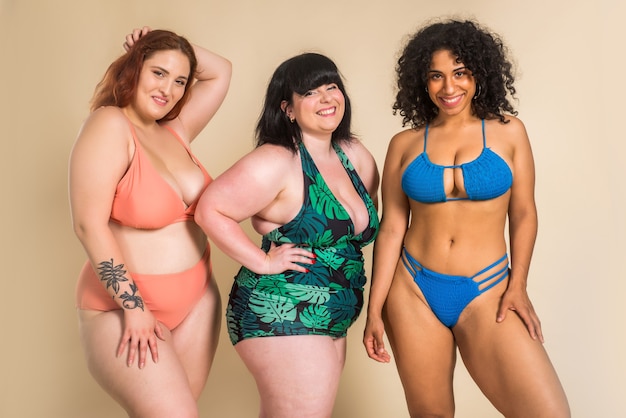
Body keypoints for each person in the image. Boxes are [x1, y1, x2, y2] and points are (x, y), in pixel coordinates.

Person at [363, 19, 570, 417]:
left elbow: (524, 213)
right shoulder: (404, 143)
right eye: (436, 76)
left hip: (488, 287)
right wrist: (375, 309)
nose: (449, 87)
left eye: (460, 73)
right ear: (422, 81)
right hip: (412, 290)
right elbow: (391, 228)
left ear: (479, 73)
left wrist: (518, 285)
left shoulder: (509, 132)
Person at [195, 52, 379, 418]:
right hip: (285, 310)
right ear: (289, 109)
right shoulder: (277, 160)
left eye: (332, 87)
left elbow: (361, 228)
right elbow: (209, 210)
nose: (327, 99)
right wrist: (262, 260)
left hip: (333, 314)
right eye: (311, 92)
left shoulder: (353, 154)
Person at [69, 27, 231, 417]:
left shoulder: (175, 132)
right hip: (123, 308)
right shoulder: (109, 124)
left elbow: (221, 71)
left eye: (179, 80)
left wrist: (172, 42)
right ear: (134, 68)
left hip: (197, 302)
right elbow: (89, 224)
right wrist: (134, 306)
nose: (169, 89)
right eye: (158, 72)